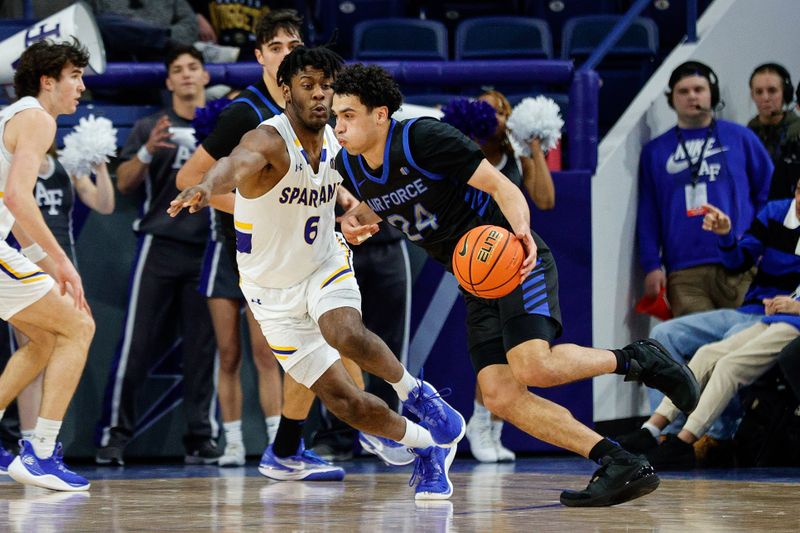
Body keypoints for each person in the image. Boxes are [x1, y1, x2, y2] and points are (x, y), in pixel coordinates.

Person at [332, 63, 700, 507]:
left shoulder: (423, 138)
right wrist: (358, 220)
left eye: (349, 115)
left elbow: (502, 186)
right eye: (336, 116)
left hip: (510, 256)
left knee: (533, 367)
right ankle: (618, 462)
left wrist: (522, 234)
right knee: (501, 395)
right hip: (474, 279)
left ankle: (637, 358)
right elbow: (391, 200)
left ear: (380, 115)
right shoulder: (348, 167)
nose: (339, 126)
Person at [169, 46, 466, 500]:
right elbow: (233, 164)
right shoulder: (268, 140)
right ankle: (426, 448)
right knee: (346, 403)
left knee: (344, 332)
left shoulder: (337, 136)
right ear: (286, 91)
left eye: (326, 85)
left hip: (325, 264)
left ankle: (416, 393)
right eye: (308, 86)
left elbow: (378, 181)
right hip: (270, 294)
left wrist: (359, 213)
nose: (320, 95)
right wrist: (207, 185)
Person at [178, 9, 353, 475]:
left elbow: (319, 178)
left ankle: (287, 447)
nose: (285, 56)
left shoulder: (314, 108)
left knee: (291, 348)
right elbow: (191, 177)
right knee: (244, 352)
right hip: (244, 250)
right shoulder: (246, 111)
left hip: (293, 252)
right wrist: (261, 209)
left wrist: (348, 207)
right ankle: (244, 444)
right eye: (275, 48)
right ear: (259, 56)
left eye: (292, 47)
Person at [95, 45, 220, 466]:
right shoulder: (152, 125)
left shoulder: (224, 127)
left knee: (205, 349)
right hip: (159, 242)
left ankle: (201, 436)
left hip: (207, 246)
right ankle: (114, 436)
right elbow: (125, 183)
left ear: (205, 76)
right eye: (177, 70)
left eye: (193, 68)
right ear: (168, 82)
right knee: (136, 344)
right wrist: (147, 150)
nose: (186, 75)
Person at [618, 190, 800, 469]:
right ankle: (655, 430)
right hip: (761, 313)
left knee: (727, 360)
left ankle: (702, 440)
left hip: (790, 318)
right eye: (799, 190)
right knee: (691, 346)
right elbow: (738, 262)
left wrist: (793, 306)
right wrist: (726, 236)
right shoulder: (777, 213)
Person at [0, 39, 95, 491]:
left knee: (42, 338)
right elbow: (19, 198)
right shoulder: (37, 119)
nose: (81, 86)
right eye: (74, 76)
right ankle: (39, 453)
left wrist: (45, 262)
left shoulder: (16, 115)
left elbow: (14, 213)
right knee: (79, 327)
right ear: (48, 80)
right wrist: (63, 262)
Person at [637, 61, 773, 318]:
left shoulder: (741, 138)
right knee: (696, 352)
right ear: (672, 98)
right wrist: (651, 265)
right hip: (684, 272)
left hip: (740, 264)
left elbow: (769, 196)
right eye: (683, 91)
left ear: (713, 94)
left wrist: (765, 246)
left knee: (746, 347)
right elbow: (648, 213)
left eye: (699, 89)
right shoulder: (654, 151)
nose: (692, 96)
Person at [0, 147, 114, 454]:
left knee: (46, 345)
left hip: (60, 263)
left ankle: (38, 447)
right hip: (23, 260)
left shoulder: (65, 163)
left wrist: (101, 168)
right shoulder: (17, 158)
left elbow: (104, 205)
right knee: (36, 346)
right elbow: (16, 212)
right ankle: (33, 444)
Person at [465, 90, 556, 463]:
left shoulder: (516, 156)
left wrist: (533, 146)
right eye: (484, 107)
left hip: (517, 259)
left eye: (500, 110)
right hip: (480, 260)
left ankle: (495, 426)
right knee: (492, 345)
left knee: (518, 345)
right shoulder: (463, 150)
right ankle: (480, 423)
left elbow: (546, 200)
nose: (493, 115)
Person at [746, 63, 800, 201]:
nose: (765, 98)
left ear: (785, 93)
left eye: (772, 90)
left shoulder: (797, 132)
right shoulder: (746, 136)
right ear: (752, 95)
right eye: (759, 92)